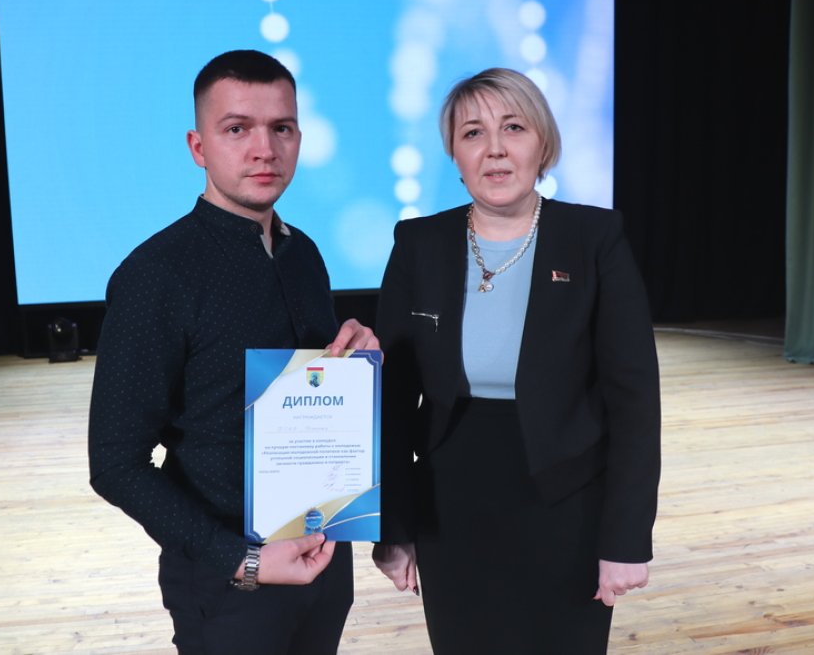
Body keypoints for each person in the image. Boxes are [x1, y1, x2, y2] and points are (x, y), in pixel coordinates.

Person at [88, 49, 379, 655]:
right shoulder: (155, 275)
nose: (264, 150)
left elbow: (312, 401)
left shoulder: (304, 255)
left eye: (282, 128)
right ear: (199, 147)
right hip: (230, 583)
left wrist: (354, 358)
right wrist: (244, 560)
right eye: (237, 129)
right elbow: (115, 463)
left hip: (325, 560)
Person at [372, 67, 661, 653]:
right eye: (473, 133)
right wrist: (394, 527)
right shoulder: (418, 244)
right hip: (449, 507)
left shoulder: (594, 238)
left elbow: (635, 403)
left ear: (542, 143)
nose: (495, 149)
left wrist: (626, 539)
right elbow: (392, 404)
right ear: (455, 154)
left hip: (568, 504)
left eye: (513, 127)